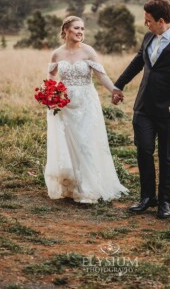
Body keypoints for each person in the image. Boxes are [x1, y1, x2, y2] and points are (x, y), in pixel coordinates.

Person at [112, 0, 170, 219]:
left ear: (161, 20)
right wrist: (118, 85)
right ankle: (147, 197)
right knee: (144, 150)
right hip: (144, 107)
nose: (145, 24)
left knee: (167, 155)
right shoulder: (149, 36)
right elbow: (138, 62)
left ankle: (164, 202)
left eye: (148, 20)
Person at [45, 15, 128, 204]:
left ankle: (89, 187)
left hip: (86, 103)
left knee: (86, 142)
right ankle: (72, 185)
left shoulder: (89, 51)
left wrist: (114, 90)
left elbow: (101, 76)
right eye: (76, 28)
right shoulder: (57, 54)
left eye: (82, 28)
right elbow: (50, 78)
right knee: (68, 143)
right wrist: (50, 96)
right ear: (66, 30)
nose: (80, 32)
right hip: (65, 104)